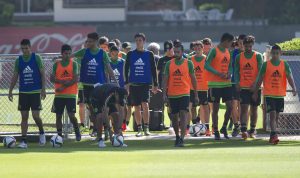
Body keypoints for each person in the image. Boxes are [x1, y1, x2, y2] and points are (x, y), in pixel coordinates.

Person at [73, 32, 118, 137]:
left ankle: (107, 129)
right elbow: (69, 56)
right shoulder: (84, 51)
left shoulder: (102, 53)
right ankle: (97, 130)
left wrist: (115, 81)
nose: (88, 43)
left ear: (95, 42)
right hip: (86, 86)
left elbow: (109, 68)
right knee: (92, 111)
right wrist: (59, 59)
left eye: (90, 41)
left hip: (99, 87)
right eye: (87, 41)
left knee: (103, 110)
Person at [251, 44, 297, 144]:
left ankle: (272, 135)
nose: (275, 55)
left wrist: (294, 88)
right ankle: (275, 135)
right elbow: (260, 79)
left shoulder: (284, 64)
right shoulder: (266, 64)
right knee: (272, 115)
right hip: (269, 94)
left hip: (280, 95)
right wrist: (255, 91)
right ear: (271, 53)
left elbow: (289, 77)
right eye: (274, 53)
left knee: (276, 116)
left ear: (280, 54)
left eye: (277, 53)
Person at [8, 39, 46, 148]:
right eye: (23, 48)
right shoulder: (18, 60)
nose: (24, 50)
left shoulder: (36, 58)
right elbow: (15, 76)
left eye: (26, 48)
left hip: (35, 92)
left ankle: (42, 132)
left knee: (35, 116)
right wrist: (10, 90)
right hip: (23, 92)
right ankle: (24, 141)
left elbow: (43, 74)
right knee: (24, 116)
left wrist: (43, 89)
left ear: (30, 47)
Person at [162, 43, 198, 147]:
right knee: (174, 117)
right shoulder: (169, 64)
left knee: (183, 114)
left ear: (182, 52)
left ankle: (182, 138)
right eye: (175, 52)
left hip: (184, 94)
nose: (176, 53)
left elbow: (193, 79)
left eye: (178, 52)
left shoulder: (188, 63)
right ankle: (177, 136)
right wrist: (164, 94)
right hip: (172, 95)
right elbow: (165, 80)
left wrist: (196, 95)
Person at [124, 33, 158, 137]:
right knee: (137, 107)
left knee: (145, 105)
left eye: (140, 40)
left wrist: (155, 84)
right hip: (134, 84)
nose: (138, 42)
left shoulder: (149, 54)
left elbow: (153, 69)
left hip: (145, 84)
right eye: (137, 40)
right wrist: (126, 83)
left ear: (144, 41)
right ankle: (139, 129)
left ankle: (147, 128)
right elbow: (126, 69)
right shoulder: (130, 54)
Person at [205, 33, 234, 140]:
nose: (231, 44)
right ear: (226, 41)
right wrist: (218, 73)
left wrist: (229, 73)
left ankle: (224, 127)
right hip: (214, 85)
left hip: (226, 84)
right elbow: (206, 65)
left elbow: (230, 66)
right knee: (215, 109)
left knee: (230, 107)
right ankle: (216, 130)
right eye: (230, 42)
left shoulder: (228, 52)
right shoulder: (214, 50)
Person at [50, 44, 81, 141]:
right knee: (58, 116)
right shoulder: (56, 64)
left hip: (71, 94)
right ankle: (59, 135)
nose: (67, 55)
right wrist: (61, 82)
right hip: (59, 95)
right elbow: (51, 78)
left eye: (69, 53)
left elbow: (75, 79)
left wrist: (62, 86)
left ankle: (77, 131)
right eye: (65, 53)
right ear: (62, 54)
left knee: (72, 116)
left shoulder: (74, 64)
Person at [235, 35, 263, 139]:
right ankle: (243, 130)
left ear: (252, 45)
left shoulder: (258, 56)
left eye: (250, 46)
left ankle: (252, 130)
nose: (248, 48)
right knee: (244, 108)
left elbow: (261, 72)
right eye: (246, 46)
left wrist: (255, 84)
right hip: (244, 87)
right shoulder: (239, 57)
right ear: (243, 45)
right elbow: (236, 71)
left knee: (254, 109)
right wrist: (237, 82)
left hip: (255, 88)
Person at [90, 83, 128, 148]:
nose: (120, 100)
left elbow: (122, 113)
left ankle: (117, 137)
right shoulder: (109, 95)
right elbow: (105, 114)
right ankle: (100, 139)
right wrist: (110, 129)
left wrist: (119, 128)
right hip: (97, 98)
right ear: (116, 94)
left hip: (109, 100)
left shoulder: (121, 96)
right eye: (119, 98)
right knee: (100, 116)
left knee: (116, 115)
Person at [188, 41, 211, 136]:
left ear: (202, 49)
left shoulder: (206, 59)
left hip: (203, 88)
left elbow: (210, 73)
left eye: (199, 49)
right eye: (195, 49)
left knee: (205, 108)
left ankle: (207, 129)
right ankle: (186, 128)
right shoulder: (190, 59)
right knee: (187, 108)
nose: (197, 51)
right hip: (191, 88)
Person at [229, 34, 246, 136]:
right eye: (239, 43)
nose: (241, 45)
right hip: (234, 83)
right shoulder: (233, 53)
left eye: (243, 43)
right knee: (232, 105)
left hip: (245, 84)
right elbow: (230, 66)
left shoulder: (251, 54)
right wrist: (228, 73)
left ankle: (243, 127)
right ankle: (236, 126)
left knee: (242, 107)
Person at [157, 41, 175, 134]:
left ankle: (173, 122)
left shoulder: (176, 58)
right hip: (163, 86)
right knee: (163, 106)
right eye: (166, 49)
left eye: (170, 48)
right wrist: (155, 84)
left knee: (172, 106)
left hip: (175, 86)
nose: (168, 50)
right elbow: (157, 73)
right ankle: (161, 123)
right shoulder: (162, 60)